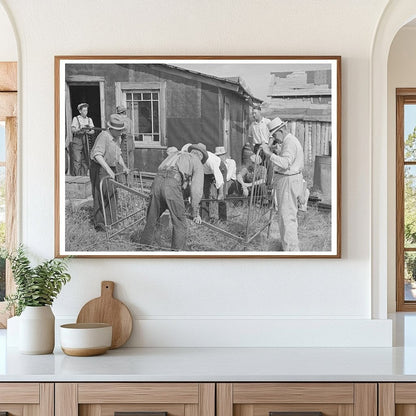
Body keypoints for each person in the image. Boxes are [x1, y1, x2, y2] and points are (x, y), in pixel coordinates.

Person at [136, 144, 207, 250]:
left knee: (152, 217)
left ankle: (143, 247)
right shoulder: (197, 161)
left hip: (157, 182)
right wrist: (195, 212)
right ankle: (177, 254)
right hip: (172, 184)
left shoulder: (176, 154)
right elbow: (196, 191)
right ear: (201, 156)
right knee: (180, 222)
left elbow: (163, 172)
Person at [261, 116, 304, 251]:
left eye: (275, 134)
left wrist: (269, 154)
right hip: (288, 179)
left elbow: (285, 163)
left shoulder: (290, 142)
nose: (274, 138)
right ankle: (288, 247)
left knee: (287, 218)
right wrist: (276, 150)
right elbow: (286, 158)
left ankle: (292, 251)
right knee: (286, 216)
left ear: (282, 129)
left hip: (288, 179)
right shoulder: (287, 141)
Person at [89, 114, 129, 232]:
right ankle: (100, 225)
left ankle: (112, 222)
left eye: (121, 130)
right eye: (119, 130)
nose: (121, 132)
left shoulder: (117, 138)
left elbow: (118, 154)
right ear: (111, 129)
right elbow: (97, 155)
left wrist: (124, 167)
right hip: (99, 167)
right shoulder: (104, 136)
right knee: (100, 194)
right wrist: (108, 169)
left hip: (110, 167)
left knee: (112, 194)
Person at [193, 143, 227, 221]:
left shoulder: (210, 160)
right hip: (206, 173)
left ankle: (223, 219)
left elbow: (218, 177)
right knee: (204, 193)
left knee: (221, 197)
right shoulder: (194, 159)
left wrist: (221, 193)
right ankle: (204, 217)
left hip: (220, 169)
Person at [71, 103, 95, 176]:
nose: (86, 112)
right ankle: (77, 178)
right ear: (80, 111)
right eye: (84, 110)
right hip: (77, 140)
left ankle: (84, 177)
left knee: (86, 160)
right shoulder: (76, 118)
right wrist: (79, 129)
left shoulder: (89, 119)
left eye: (86, 110)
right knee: (77, 160)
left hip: (86, 140)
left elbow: (93, 131)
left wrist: (88, 131)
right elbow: (73, 130)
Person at [116, 105, 135, 172]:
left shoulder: (122, 121)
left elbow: (121, 132)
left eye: (118, 114)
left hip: (125, 141)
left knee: (124, 161)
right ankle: (130, 180)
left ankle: (124, 181)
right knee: (131, 162)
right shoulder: (130, 120)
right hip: (131, 142)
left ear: (121, 113)